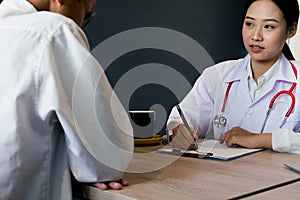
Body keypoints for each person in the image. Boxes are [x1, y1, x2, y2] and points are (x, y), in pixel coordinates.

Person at [0, 0, 134, 199]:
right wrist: (94, 164)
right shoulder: (54, 31)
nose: (81, 24)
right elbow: (109, 156)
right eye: (87, 14)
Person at [167, 0, 300, 154]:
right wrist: (180, 131)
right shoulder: (217, 75)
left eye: (269, 26)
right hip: (224, 175)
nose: (256, 36)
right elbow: (180, 119)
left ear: (291, 30)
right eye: (250, 24)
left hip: (280, 177)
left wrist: (260, 139)